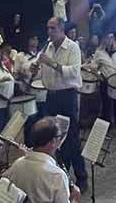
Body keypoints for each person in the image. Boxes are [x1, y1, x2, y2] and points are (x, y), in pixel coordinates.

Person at [34, 17, 88, 191]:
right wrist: (33, 69)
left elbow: (72, 73)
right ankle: (61, 175)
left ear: (61, 29)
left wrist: (50, 62)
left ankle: (82, 177)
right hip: (51, 96)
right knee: (52, 138)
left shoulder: (73, 47)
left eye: (52, 29)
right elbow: (39, 70)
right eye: (48, 28)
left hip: (67, 96)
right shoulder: (47, 47)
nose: (49, 32)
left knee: (71, 137)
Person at [91, 33, 116, 134]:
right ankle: (107, 130)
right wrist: (99, 75)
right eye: (107, 38)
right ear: (104, 39)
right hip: (106, 81)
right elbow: (93, 67)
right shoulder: (99, 52)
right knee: (107, 106)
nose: (110, 40)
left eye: (111, 38)